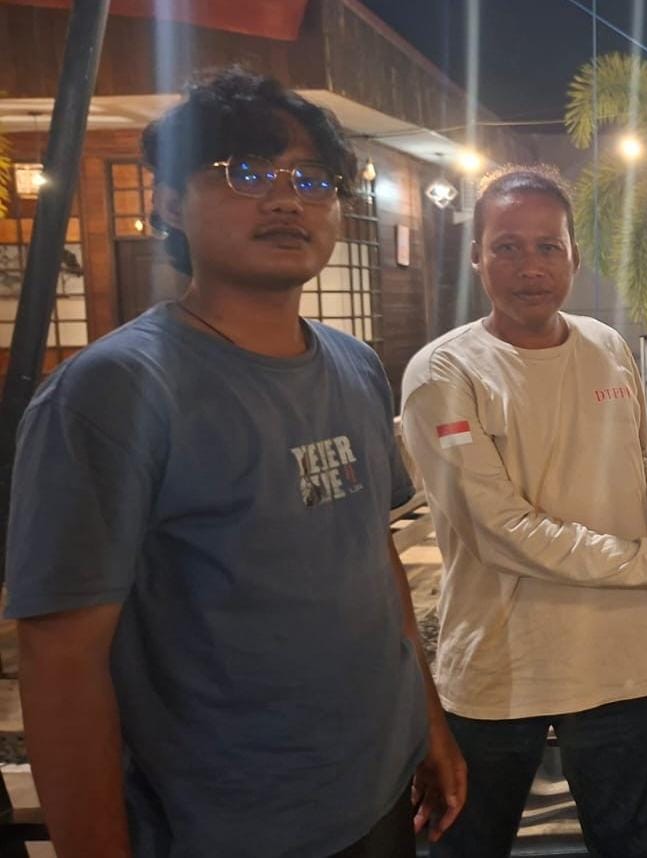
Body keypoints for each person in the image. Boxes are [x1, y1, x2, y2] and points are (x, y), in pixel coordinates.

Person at [4, 67, 464, 858]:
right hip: (227, 823)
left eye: (312, 180)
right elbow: (60, 659)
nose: (287, 200)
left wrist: (427, 724)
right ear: (168, 203)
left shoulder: (354, 366)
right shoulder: (114, 392)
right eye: (247, 172)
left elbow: (373, 556)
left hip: (378, 786)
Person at [399, 166, 647, 858]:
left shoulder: (607, 348)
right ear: (477, 257)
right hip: (501, 667)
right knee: (469, 845)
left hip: (614, 660)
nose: (529, 267)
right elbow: (504, 533)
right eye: (507, 247)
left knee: (634, 842)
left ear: (574, 257)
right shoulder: (444, 373)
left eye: (547, 247)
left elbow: (630, 480)